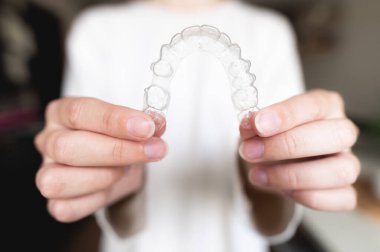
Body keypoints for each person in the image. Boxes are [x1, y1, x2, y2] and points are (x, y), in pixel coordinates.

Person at [34, 0, 360, 251]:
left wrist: (269, 173)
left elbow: (271, 216)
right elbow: (116, 217)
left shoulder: (271, 32)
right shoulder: (95, 31)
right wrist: (118, 181)